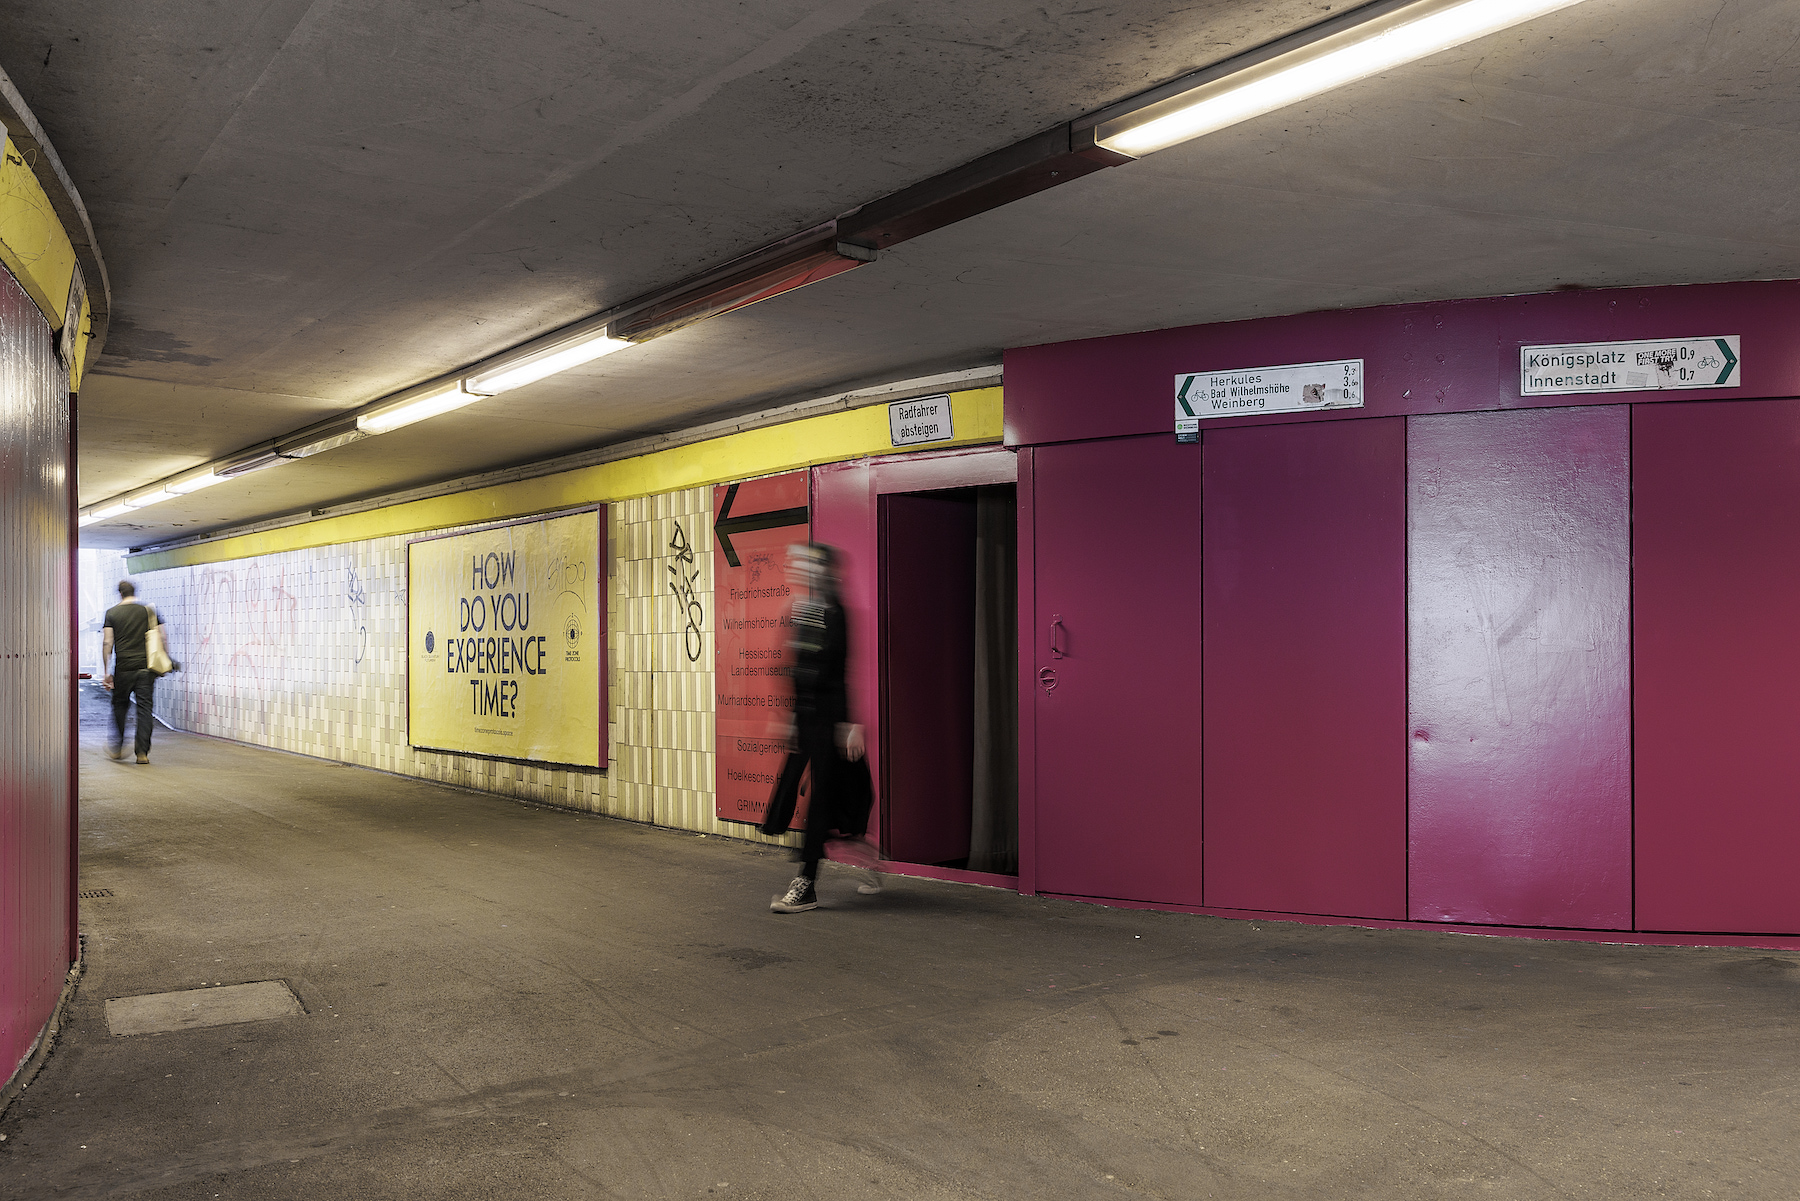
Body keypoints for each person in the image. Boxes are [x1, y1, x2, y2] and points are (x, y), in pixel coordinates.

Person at [769, 542, 881, 913]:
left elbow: (840, 672)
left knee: (821, 801)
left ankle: (807, 883)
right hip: (805, 719)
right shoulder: (802, 611)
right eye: (797, 562)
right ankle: (865, 854)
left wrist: (849, 723)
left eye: (806, 563)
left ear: (823, 571)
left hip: (830, 720)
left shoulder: (836, 613)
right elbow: (796, 668)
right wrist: (789, 717)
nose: (798, 568)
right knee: (793, 798)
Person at [102, 579, 162, 764]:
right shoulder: (148, 611)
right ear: (134, 592)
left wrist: (106, 672)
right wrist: (163, 662)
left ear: (120, 593)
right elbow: (161, 636)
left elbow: (107, 643)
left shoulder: (112, 613)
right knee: (145, 709)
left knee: (120, 706)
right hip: (145, 668)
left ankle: (118, 747)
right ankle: (142, 753)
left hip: (124, 668)